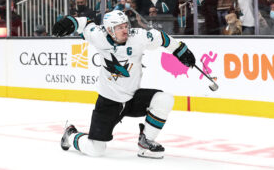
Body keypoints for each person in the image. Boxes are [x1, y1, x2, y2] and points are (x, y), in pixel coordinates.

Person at [52, 10, 196, 159]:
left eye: (126, 25)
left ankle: (145, 142)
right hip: (108, 103)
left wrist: (180, 49)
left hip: (132, 99)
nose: (125, 30)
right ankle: (70, 135)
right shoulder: (98, 35)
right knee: (96, 149)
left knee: (164, 99)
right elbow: (84, 23)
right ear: (109, 30)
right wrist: (70, 21)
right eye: (119, 28)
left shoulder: (139, 37)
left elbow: (161, 38)